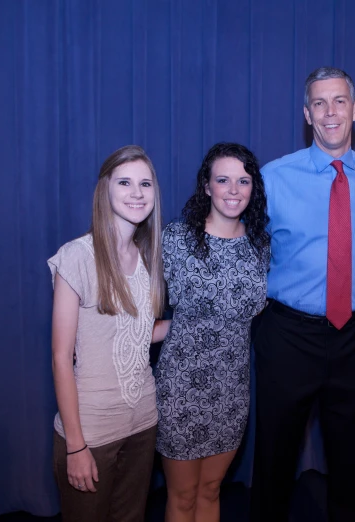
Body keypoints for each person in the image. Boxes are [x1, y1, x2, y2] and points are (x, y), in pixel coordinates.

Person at [250, 67, 355, 522]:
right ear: (306, 114)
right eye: (319, 103)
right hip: (288, 335)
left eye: (339, 101)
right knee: (275, 458)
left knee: (353, 461)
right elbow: (245, 248)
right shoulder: (273, 177)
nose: (330, 112)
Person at [48, 145, 166, 522]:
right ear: (105, 190)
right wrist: (76, 446)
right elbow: (60, 358)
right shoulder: (77, 256)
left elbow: (135, 335)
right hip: (92, 431)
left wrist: (195, 324)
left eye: (145, 183)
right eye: (125, 182)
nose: (137, 192)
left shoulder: (148, 257)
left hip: (144, 422)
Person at [155, 142, 270, 522]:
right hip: (180, 388)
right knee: (183, 495)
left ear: (254, 188)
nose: (234, 190)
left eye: (243, 180)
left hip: (231, 389)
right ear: (206, 186)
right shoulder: (175, 239)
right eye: (223, 180)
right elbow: (141, 308)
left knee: (210, 490)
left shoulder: (261, 246)